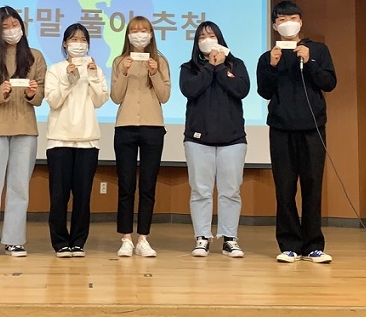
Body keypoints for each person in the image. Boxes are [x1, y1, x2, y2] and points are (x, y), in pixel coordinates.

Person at [256, 0, 337, 264]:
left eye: (292, 18)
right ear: (274, 26)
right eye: (281, 19)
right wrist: (272, 65)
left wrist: (309, 62)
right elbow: (264, 91)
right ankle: (289, 244)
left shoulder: (318, 50)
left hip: (312, 128)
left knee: (312, 186)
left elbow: (329, 83)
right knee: (284, 188)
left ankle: (314, 245)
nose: (287, 23)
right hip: (281, 129)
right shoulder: (268, 56)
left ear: (301, 22)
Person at [0, 6, 47, 258]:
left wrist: (32, 93)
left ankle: (14, 240)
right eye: (5, 26)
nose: (12, 30)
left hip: (25, 128)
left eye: (15, 25)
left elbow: (41, 95)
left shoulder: (35, 57)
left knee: (19, 187)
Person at [179, 21, 249, 258]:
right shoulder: (189, 68)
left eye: (211, 35)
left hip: (233, 139)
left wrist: (220, 68)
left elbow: (241, 90)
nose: (206, 40)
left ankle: (229, 238)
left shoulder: (236, 65)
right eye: (202, 37)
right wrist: (210, 66)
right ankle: (202, 237)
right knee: (201, 191)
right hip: (198, 139)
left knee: (230, 190)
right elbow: (190, 90)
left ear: (220, 39)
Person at [44, 23, 109, 257]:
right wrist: (68, 79)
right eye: (73, 39)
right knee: (59, 196)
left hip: (87, 140)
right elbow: (53, 101)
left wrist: (92, 76)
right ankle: (60, 242)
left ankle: (78, 241)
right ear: (65, 44)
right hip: (59, 140)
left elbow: (101, 100)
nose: (78, 44)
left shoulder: (95, 70)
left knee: (83, 196)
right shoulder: (55, 70)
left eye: (83, 40)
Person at [110, 16, 170, 258]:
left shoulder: (160, 61)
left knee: (148, 184)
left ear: (151, 34)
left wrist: (154, 73)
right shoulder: (119, 61)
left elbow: (165, 96)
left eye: (144, 30)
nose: (139, 34)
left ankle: (143, 238)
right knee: (126, 184)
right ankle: (126, 238)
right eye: (134, 30)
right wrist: (124, 72)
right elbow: (115, 96)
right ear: (128, 35)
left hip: (152, 127)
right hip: (125, 126)